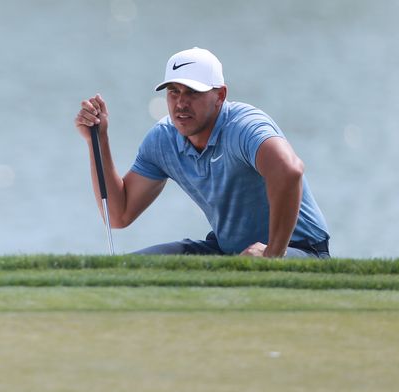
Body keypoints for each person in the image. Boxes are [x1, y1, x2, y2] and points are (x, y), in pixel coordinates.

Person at [74, 47, 330, 258]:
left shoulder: (244, 126)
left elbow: (289, 171)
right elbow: (119, 214)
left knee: (250, 267)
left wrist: (273, 254)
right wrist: (98, 140)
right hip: (228, 250)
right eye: (173, 91)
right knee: (133, 267)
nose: (181, 103)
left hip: (300, 250)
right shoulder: (163, 139)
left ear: (220, 95)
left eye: (193, 92)